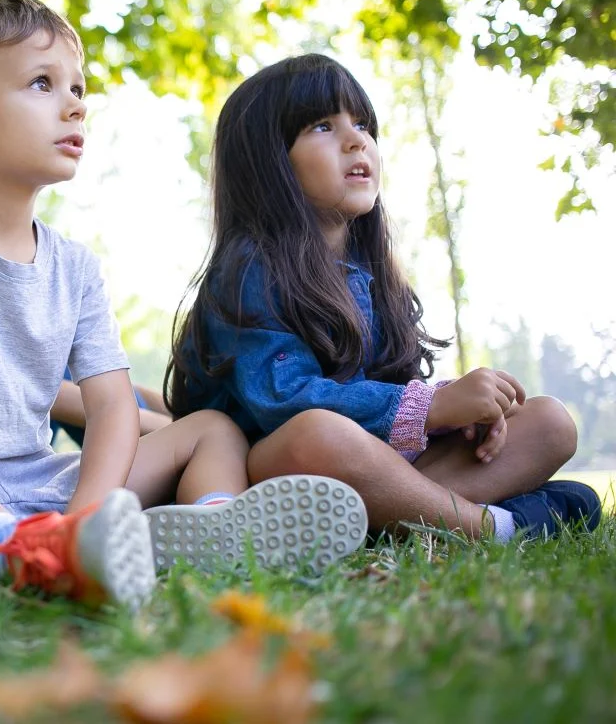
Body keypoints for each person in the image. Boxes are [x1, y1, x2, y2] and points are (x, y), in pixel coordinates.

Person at [0, 0, 367, 610]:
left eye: (78, 87)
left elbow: (112, 407)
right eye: (42, 83)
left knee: (211, 430)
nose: (77, 104)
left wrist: (83, 514)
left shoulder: (75, 265)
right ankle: (9, 548)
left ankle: (211, 530)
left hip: (46, 483)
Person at [166, 53, 602, 544]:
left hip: (371, 471)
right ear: (268, 162)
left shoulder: (373, 275)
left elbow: (393, 392)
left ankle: (391, 524)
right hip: (276, 467)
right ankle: (495, 527)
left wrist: (462, 419)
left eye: (362, 124)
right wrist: (431, 407)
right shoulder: (251, 269)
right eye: (322, 126)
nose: (357, 139)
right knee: (319, 432)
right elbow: (283, 401)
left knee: (549, 423)